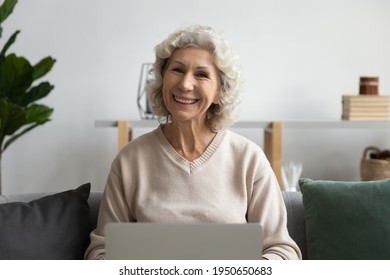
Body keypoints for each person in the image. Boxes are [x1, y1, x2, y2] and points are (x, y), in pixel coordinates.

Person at [85, 25, 302, 260]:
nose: (186, 84)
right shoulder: (130, 161)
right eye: (177, 70)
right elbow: (102, 251)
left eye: (201, 74)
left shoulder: (249, 159)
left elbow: (282, 251)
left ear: (220, 92)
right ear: (162, 80)